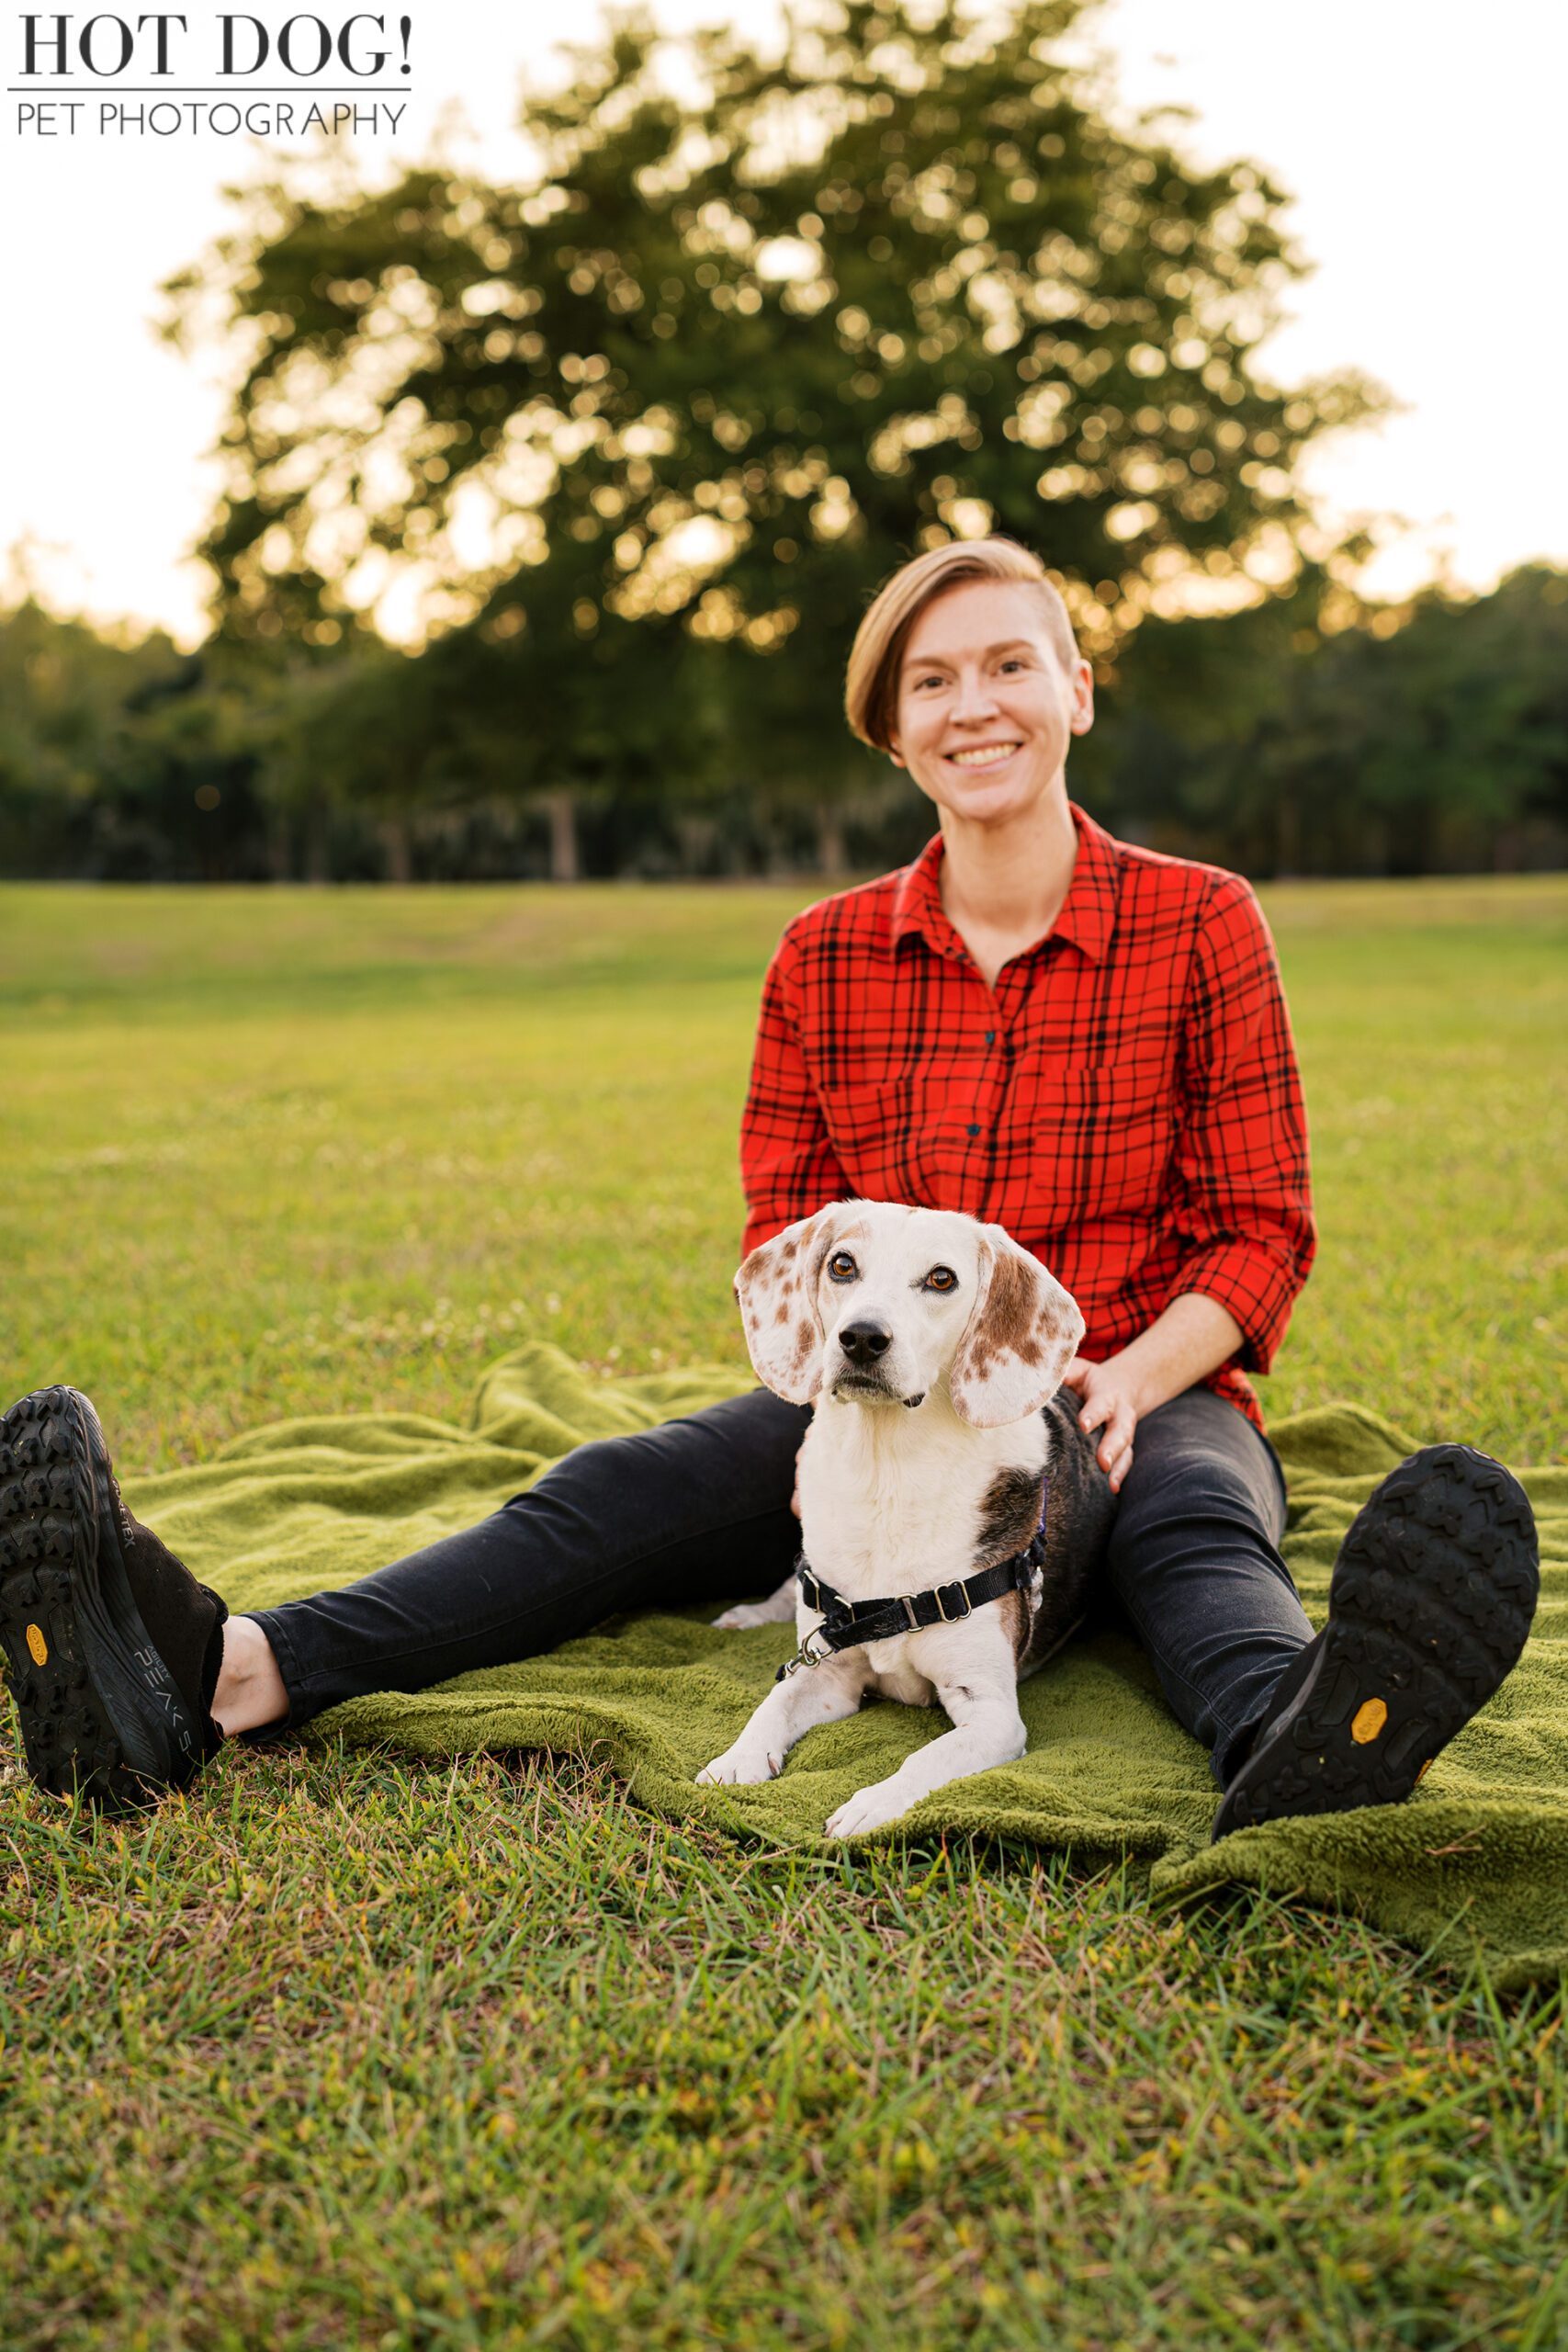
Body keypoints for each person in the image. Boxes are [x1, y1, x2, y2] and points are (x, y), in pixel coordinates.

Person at [0, 539, 1539, 1836]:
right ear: (894, 731)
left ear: (1077, 690)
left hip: (1143, 1375)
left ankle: (1302, 1739)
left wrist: (1126, 1382)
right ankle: (226, 1672)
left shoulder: (1204, 924)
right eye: (931, 681)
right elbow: (789, 1236)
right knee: (621, 1491)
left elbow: (1263, 1228)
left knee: (1194, 1530)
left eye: (1009, 664)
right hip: (877, 1406)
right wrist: (816, 1398)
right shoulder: (824, 955)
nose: (973, 704)